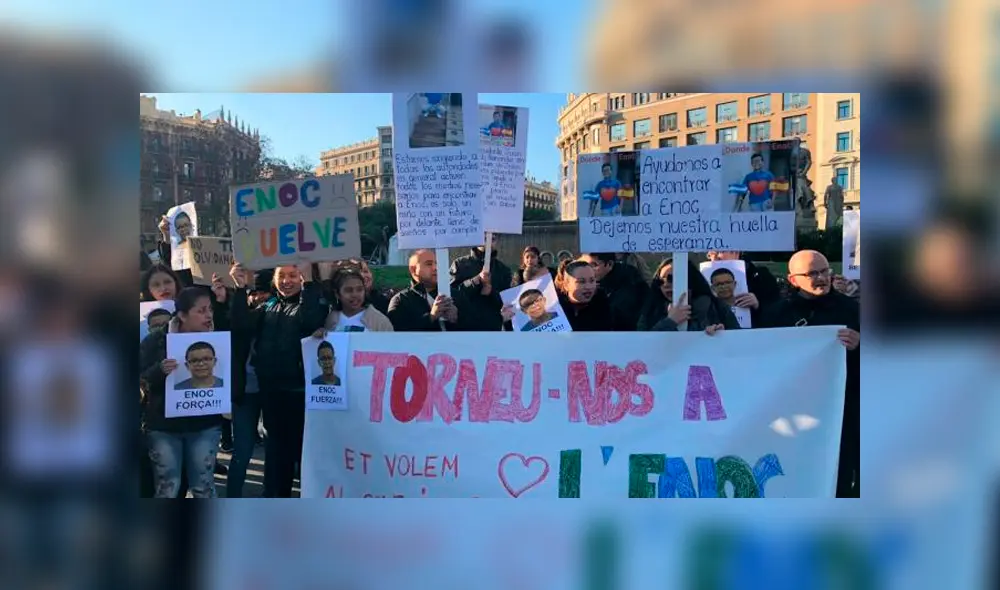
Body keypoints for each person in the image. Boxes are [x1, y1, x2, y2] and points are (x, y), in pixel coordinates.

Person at [759, 249, 860, 498]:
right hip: (795, 414)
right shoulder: (776, 315)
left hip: (844, 411)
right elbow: (756, 356)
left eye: (824, 271)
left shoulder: (852, 310)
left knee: (841, 473)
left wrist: (861, 343)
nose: (821, 278)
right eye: (812, 273)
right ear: (794, 280)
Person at [230, 262, 328, 498]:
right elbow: (241, 324)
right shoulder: (269, 306)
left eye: (293, 275)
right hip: (271, 390)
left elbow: (310, 321)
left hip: (299, 391)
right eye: (281, 276)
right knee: (275, 451)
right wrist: (240, 289)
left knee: (302, 452)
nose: (287, 281)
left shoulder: (313, 301)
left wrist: (309, 285)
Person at [140, 287, 225, 498]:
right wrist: (160, 371)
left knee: (203, 484)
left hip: (204, 425)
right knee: (168, 485)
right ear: (182, 315)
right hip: (163, 426)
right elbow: (140, 377)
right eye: (202, 310)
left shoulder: (219, 338)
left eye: (210, 310)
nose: (208, 315)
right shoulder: (156, 340)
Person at [224, 266, 270, 497]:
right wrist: (240, 288)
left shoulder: (278, 315)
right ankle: (232, 496)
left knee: (274, 450)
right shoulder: (241, 318)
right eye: (256, 293)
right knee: (242, 449)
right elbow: (239, 320)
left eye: (266, 293)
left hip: (273, 391)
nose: (260, 297)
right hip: (246, 392)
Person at [638, 258, 740, 333]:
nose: (665, 284)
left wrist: (722, 335)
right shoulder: (650, 311)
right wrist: (669, 322)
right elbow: (643, 346)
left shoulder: (717, 308)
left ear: (691, 279)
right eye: (660, 281)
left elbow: (739, 343)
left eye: (671, 278)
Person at [450, 233, 512, 331]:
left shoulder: (503, 270)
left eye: (492, 239)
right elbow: (452, 295)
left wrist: (491, 292)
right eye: (484, 238)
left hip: (492, 328)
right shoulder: (459, 264)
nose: (488, 241)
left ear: (497, 242)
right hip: (465, 328)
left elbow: (508, 302)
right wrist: (475, 281)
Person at [388, 249, 459, 331]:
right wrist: (431, 317)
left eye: (437, 263)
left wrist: (457, 319)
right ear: (413, 270)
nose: (435, 268)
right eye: (429, 264)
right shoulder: (401, 300)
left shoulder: (455, 295)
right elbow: (397, 334)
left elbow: (474, 326)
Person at [578, 253, 646, 331]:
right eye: (584, 265)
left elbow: (619, 319)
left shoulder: (629, 284)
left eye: (593, 265)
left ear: (609, 264)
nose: (588, 270)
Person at [319, 267, 394, 333]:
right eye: (348, 290)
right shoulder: (331, 319)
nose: (355, 295)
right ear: (337, 294)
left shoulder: (380, 321)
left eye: (359, 289)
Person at [706, 250, 781, 312]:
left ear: (735, 252)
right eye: (710, 254)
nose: (714, 257)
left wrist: (758, 305)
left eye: (720, 252)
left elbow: (777, 312)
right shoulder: (702, 279)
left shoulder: (761, 277)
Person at [554, 260, 613, 331]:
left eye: (592, 280)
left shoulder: (602, 304)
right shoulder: (553, 305)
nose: (588, 287)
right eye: (581, 282)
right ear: (566, 284)